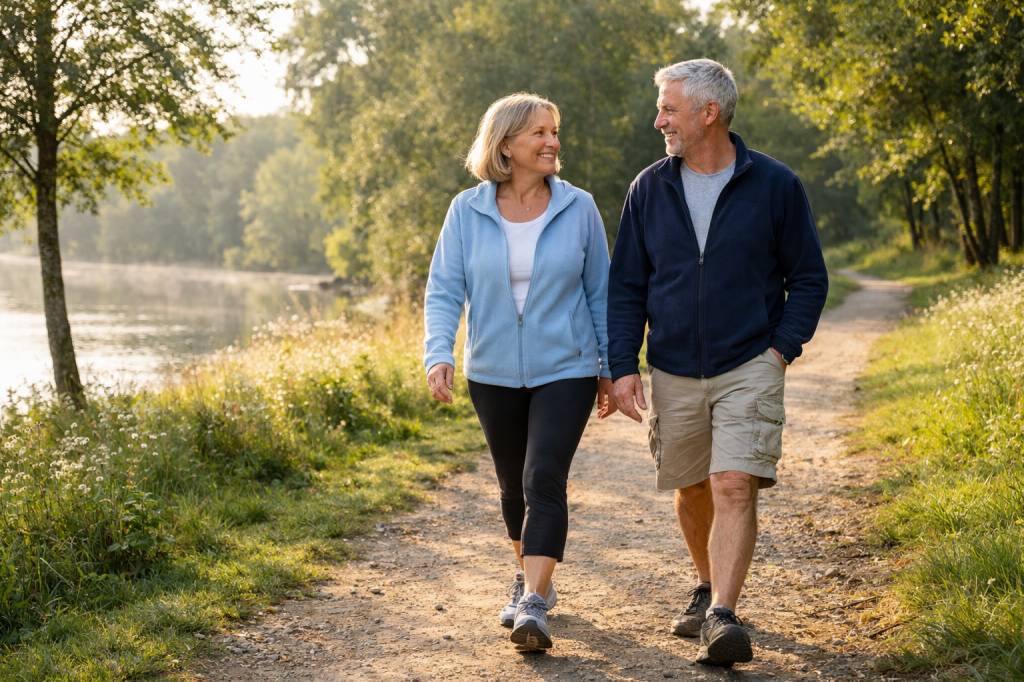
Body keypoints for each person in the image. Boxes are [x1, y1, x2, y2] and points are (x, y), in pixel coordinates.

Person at [607, 59, 828, 667]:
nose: (659, 121)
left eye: (669, 109)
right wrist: (623, 364)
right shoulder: (649, 187)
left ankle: (724, 616)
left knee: (733, 482)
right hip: (674, 365)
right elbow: (627, 284)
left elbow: (808, 277)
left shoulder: (776, 185)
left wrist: (781, 347)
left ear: (710, 113)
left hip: (749, 361)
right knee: (692, 484)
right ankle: (706, 586)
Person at [423, 93, 615, 652]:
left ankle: (533, 600)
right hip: (493, 369)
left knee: (542, 478)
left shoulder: (579, 207)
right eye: (539, 133)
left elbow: (600, 294)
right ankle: (528, 576)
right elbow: (444, 290)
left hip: (567, 367)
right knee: (512, 487)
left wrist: (610, 367)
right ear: (506, 144)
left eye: (555, 131)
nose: (553, 141)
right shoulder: (467, 209)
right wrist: (440, 353)